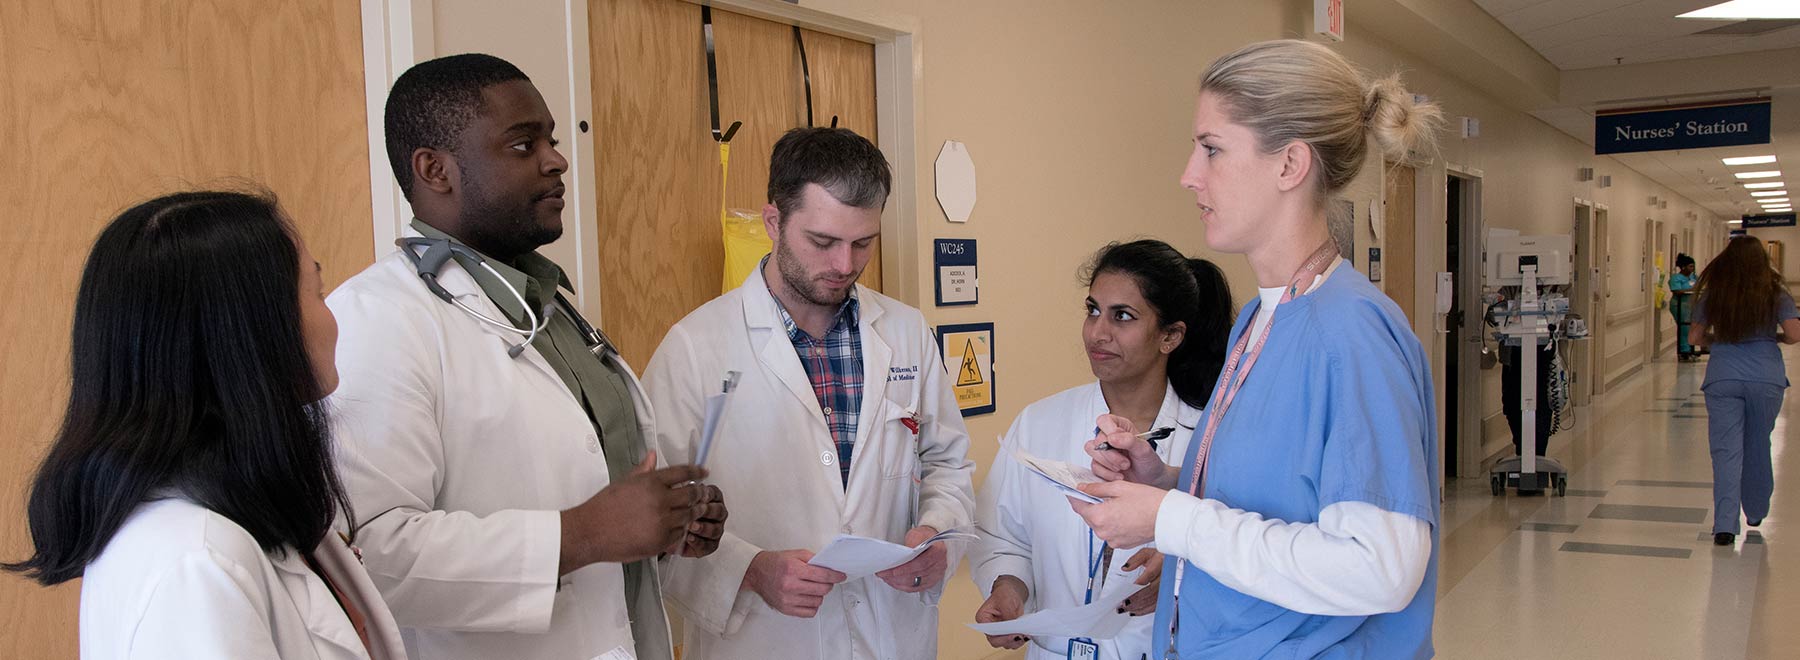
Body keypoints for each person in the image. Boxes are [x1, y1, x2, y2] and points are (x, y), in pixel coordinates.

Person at [325, 54, 725, 660]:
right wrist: (584, 535)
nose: (557, 159)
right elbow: (369, 558)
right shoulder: (378, 319)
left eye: (553, 140)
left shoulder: (547, 305)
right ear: (436, 170)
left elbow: (601, 489)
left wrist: (669, 522)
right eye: (522, 144)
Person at [1071, 39, 1442, 659]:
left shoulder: (1350, 333)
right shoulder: (1260, 319)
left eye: (1212, 149)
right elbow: (1277, 499)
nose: (1189, 174)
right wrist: (1163, 481)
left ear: (1290, 165)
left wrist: (1169, 520)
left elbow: (1382, 569)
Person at [3, 190, 407, 659]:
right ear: (252, 334)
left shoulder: (251, 513)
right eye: (315, 292)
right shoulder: (195, 562)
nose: (331, 317)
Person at [642, 127, 975, 660]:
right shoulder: (695, 348)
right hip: (763, 640)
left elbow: (948, 464)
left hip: (892, 636)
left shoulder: (907, 332)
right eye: (822, 242)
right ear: (773, 221)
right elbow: (649, 519)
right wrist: (748, 571)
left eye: (863, 242)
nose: (845, 264)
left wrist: (937, 536)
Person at [971, 240, 1234, 660]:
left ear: (1170, 336)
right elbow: (1002, 537)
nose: (1098, 332)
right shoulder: (1040, 423)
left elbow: (1250, 545)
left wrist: (1185, 565)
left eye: (1122, 316)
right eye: (1093, 310)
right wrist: (1007, 589)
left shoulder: (1214, 435)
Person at [1689, 236, 1799, 546]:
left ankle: (1725, 525)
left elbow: (1695, 338)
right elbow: (1794, 334)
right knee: (1757, 443)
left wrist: (1719, 341)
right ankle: (1755, 510)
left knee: (1726, 452)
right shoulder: (1776, 294)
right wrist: (1771, 339)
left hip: (1724, 376)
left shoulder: (1714, 295)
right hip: (1766, 378)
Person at [1670, 253, 1698, 360]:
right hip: (1679, 305)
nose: (1693, 268)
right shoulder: (1676, 278)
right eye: (1690, 266)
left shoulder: (1693, 277)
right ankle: (1684, 351)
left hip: (1690, 305)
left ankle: (1690, 349)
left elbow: (1699, 285)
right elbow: (1677, 290)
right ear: (1683, 267)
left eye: (1693, 266)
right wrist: (1691, 290)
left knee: (1691, 328)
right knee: (1684, 328)